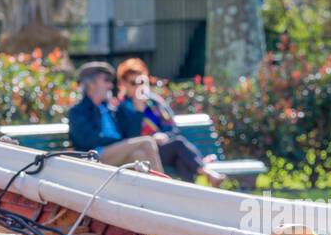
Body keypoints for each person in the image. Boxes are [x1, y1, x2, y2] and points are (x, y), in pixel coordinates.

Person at [116, 58, 225, 187]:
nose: (139, 86)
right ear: (123, 84)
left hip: (166, 149)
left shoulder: (155, 103)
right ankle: (205, 171)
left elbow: (172, 129)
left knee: (180, 159)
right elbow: (128, 138)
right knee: (178, 145)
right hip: (144, 153)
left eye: (142, 81)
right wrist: (139, 114)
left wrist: (165, 136)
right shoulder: (121, 108)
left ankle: (187, 196)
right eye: (133, 83)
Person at [67, 61, 164, 173]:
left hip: (115, 154)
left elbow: (132, 136)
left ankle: (150, 190)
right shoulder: (78, 111)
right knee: (147, 142)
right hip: (94, 158)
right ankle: (167, 187)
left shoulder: (112, 109)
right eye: (106, 80)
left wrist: (138, 112)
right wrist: (118, 142)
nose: (110, 85)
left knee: (139, 155)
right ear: (91, 84)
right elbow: (87, 141)